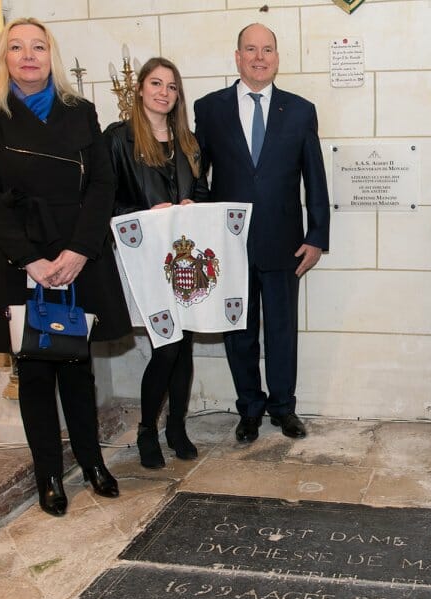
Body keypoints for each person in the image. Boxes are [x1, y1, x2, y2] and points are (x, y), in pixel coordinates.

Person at [0, 18, 132, 517]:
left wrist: (79, 251)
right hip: (23, 256)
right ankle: (49, 476)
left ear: (50, 55)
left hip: (76, 253)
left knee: (77, 365)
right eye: (17, 47)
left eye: (38, 46)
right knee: (35, 369)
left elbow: (102, 184)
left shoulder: (80, 111)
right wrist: (30, 259)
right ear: (4, 58)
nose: (28, 55)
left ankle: (92, 462)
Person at [193, 23, 329, 443]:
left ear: (277, 58)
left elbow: (315, 177)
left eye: (267, 50)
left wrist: (318, 234)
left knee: (283, 329)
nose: (259, 57)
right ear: (237, 57)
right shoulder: (209, 108)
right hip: (227, 245)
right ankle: (249, 407)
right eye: (250, 50)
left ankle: (283, 408)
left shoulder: (301, 110)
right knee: (239, 331)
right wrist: (197, 222)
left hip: (284, 241)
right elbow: (199, 176)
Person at [105, 57, 210, 469]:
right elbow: (106, 198)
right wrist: (145, 212)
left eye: (171, 86)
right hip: (145, 258)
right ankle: (148, 428)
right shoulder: (119, 139)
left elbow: (203, 191)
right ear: (140, 90)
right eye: (155, 83)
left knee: (184, 349)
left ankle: (177, 426)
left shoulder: (189, 141)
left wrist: (191, 204)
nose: (163, 92)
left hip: (183, 260)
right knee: (166, 347)